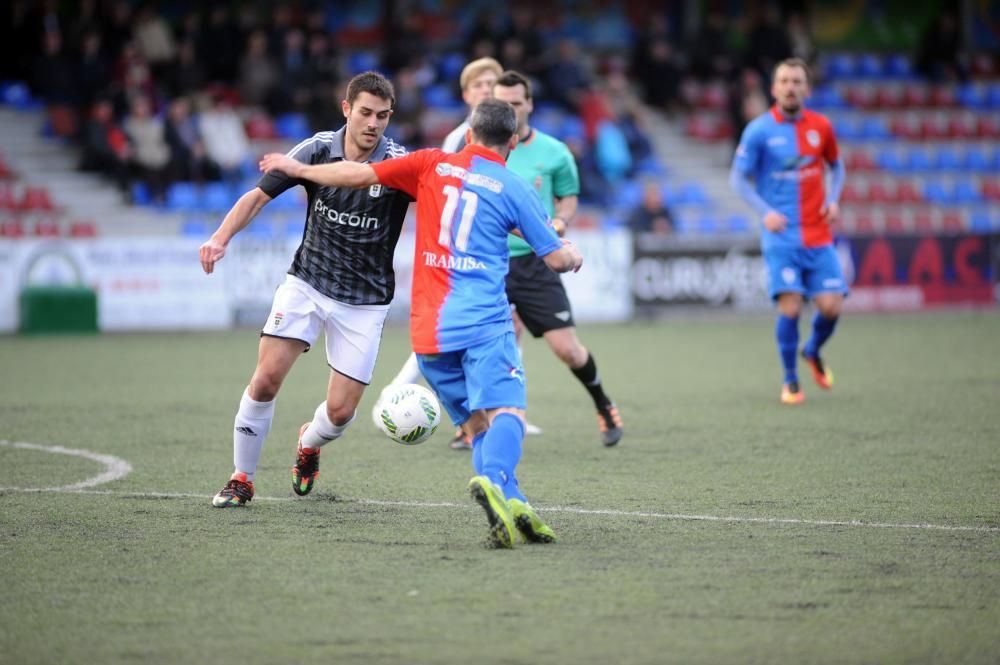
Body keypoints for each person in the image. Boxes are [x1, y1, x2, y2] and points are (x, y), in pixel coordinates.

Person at [259, 98, 583, 548]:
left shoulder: (431, 163)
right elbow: (554, 258)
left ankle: (515, 502)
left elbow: (357, 174)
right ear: (511, 142)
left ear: (469, 134)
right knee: (508, 410)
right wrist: (573, 255)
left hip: (429, 334)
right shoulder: (512, 187)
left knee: (474, 426)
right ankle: (492, 479)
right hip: (483, 323)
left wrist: (301, 171)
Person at [202, 71, 414, 508]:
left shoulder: (397, 161)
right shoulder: (316, 149)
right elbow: (257, 196)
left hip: (366, 300)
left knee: (339, 414)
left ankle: (308, 442)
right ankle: (241, 477)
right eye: (366, 113)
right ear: (346, 109)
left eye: (383, 116)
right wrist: (220, 237)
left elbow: (440, 200)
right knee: (264, 381)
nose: (374, 123)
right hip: (308, 283)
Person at [491, 70, 624, 446]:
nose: (510, 109)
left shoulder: (555, 152)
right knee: (497, 346)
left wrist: (562, 221)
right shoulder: (483, 151)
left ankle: (602, 402)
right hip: (493, 264)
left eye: (516, 103)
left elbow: (567, 196)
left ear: (529, 104)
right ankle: (486, 426)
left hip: (537, 263)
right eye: (502, 103)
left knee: (567, 350)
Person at [729, 57, 847, 405]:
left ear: (806, 88)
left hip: (818, 233)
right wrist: (765, 213)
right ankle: (790, 380)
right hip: (781, 236)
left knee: (831, 308)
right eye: (784, 81)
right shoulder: (759, 130)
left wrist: (835, 200)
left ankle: (812, 350)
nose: (791, 87)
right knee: (791, 306)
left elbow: (836, 167)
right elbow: (737, 178)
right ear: (774, 88)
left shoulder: (821, 126)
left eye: (797, 81)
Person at [441, 57, 502, 153]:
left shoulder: (519, 134)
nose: (486, 90)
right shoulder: (456, 139)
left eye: (491, 83)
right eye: (477, 85)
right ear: (466, 95)